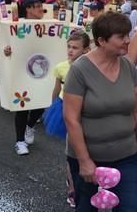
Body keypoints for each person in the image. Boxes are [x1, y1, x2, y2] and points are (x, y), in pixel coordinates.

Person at [64, 11, 137, 212]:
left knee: (130, 207)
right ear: (102, 41)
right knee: (87, 208)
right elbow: (71, 119)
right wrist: (84, 160)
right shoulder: (79, 70)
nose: (128, 40)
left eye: (127, 35)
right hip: (91, 158)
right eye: (121, 36)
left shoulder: (129, 67)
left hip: (127, 155)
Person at [41, 31, 90, 208]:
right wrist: (53, 107)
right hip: (64, 107)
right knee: (72, 150)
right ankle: (72, 186)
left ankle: (86, 181)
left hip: (84, 110)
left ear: (86, 50)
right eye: (69, 47)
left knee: (86, 147)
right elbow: (56, 89)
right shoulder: (62, 67)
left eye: (75, 47)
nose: (70, 51)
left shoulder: (90, 67)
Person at [3, 0, 48, 155]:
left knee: (42, 102)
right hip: (22, 71)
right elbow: (6, 44)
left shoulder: (49, 26)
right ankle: (20, 141)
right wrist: (6, 50)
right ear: (28, 8)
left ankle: (30, 125)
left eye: (41, 6)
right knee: (22, 105)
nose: (41, 9)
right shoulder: (17, 25)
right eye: (36, 6)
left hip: (42, 70)